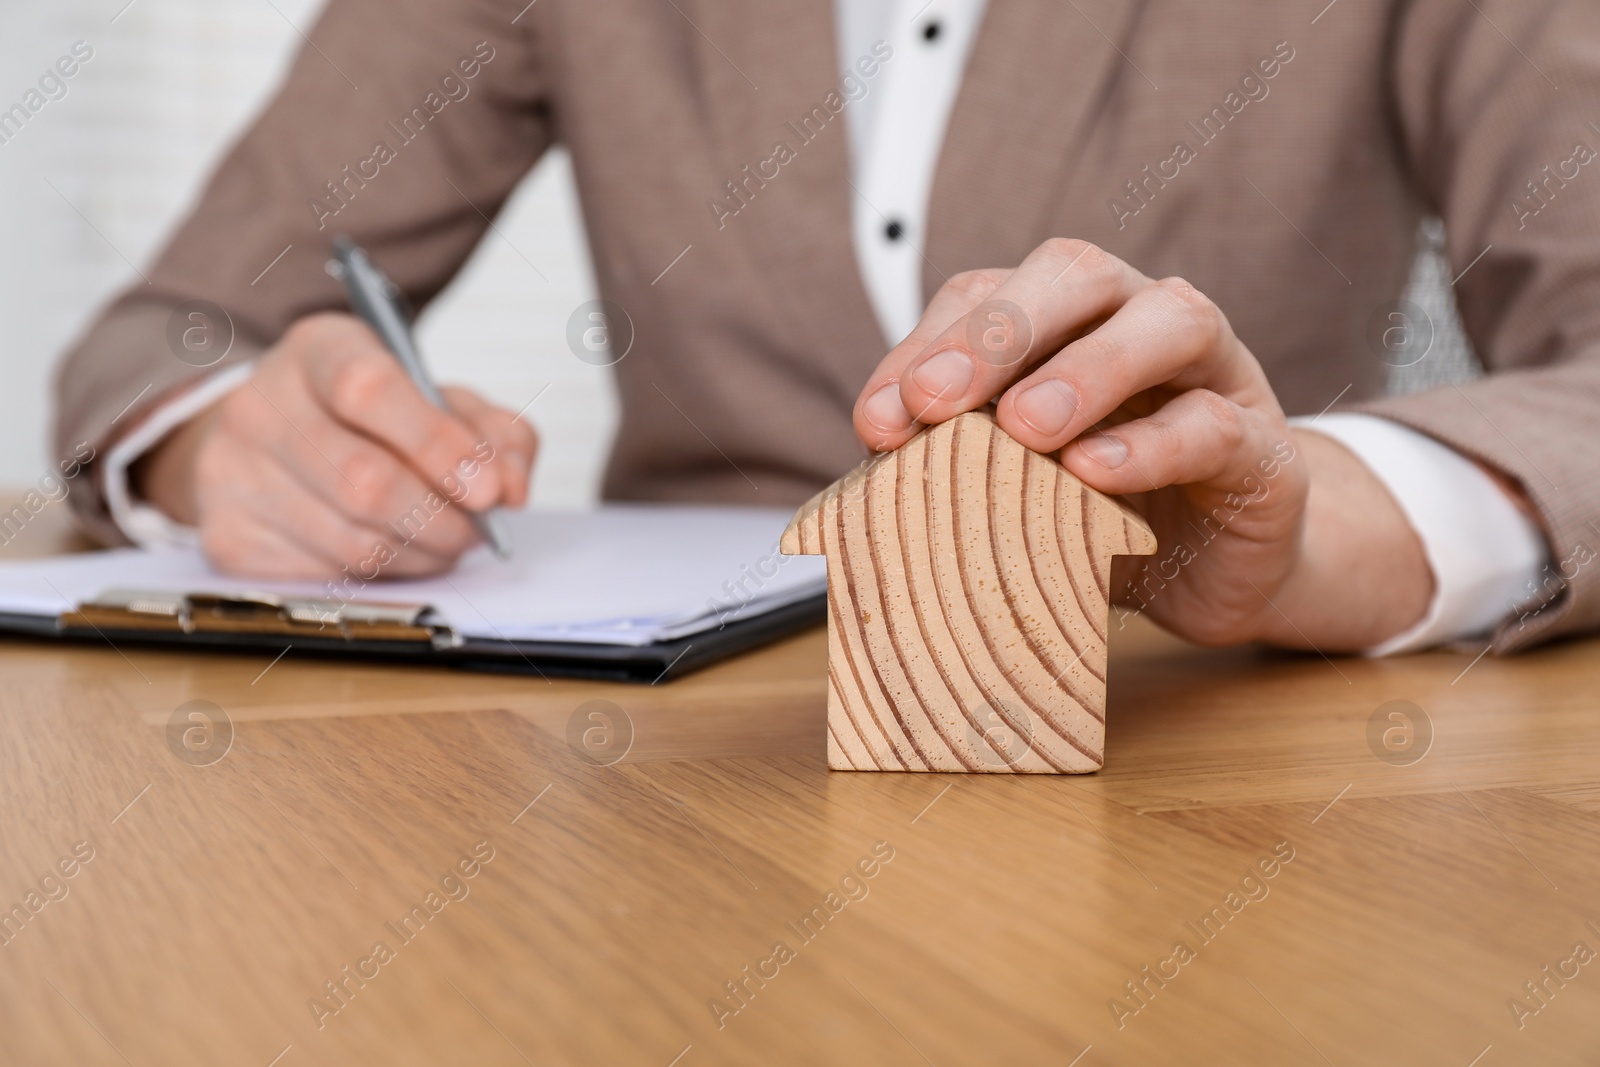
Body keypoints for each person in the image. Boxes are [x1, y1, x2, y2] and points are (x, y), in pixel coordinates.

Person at [52, 0, 1600, 655]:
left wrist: (1332, 521)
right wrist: (227, 440)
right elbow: (174, 332)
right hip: (668, 795)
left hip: (1196, 740)